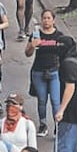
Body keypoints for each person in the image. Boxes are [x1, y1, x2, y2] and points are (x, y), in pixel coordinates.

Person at [25, 9, 63, 138]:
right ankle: (43, 124)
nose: (46, 21)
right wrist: (32, 45)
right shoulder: (36, 34)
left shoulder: (59, 35)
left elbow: (64, 52)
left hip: (54, 71)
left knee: (55, 100)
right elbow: (27, 53)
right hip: (38, 71)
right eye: (44, 18)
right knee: (42, 100)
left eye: (48, 18)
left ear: (53, 20)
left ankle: (58, 126)